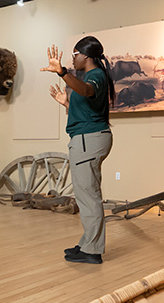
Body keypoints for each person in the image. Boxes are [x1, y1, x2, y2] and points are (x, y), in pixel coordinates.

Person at [42, 36, 115, 264]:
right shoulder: (94, 76)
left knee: (89, 196)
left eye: (74, 55)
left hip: (88, 140)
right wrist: (67, 103)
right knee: (86, 194)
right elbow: (87, 104)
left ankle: (92, 250)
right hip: (89, 138)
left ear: (86, 56)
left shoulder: (95, 76)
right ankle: (87, 244)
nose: (72, 59)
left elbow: (85, 90)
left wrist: (62, 72)